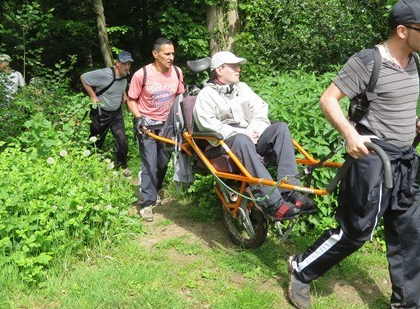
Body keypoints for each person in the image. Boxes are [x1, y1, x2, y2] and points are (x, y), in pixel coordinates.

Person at [286, 0, 420, 309]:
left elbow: (393, 105)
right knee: (356, 231)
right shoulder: (368, 61)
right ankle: (301, 269)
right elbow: (328, 99)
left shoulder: (413, 60)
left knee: (410, 236)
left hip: (405, 163)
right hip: (372, 161)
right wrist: (350, 134)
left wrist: (415, 122)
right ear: (403, 31)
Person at [192, 51, 317, 221]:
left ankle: (290, 191)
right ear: (219, 70)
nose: (239, 69)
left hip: (250, 137)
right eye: (234, 66)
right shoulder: (206, 95)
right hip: (222, 145)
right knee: (242, 139)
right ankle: (272, 203)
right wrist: (244, 133)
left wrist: (255, 128)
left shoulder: (242, 88)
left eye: (238, 66)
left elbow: (260, 109)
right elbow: (208, 125)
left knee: (280, 127)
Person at [127, 38, 185, 222]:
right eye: (167, 54)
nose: (171, 57)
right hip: (148, 125)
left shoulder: (177, 72)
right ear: (155, 54)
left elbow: (180, 95)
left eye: (173, 53)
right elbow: (131, 99)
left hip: (168, 125)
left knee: (162, 162)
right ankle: (146, 203)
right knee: (149, 163)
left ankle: (154, 188)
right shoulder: (141, 74)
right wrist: (139, 118)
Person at [80, 51, 133, 171]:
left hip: (116, 113)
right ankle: (91, 165)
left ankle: (121, 167)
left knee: (122, 139)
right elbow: (83, 78)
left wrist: (124, 94)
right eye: (124, 64)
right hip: (101, 113)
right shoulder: (104, 74)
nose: (127, 67)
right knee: (96, 141)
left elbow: (122, 83)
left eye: (129, 64)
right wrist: (93, 97)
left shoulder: (126, 73)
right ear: (117, 63)